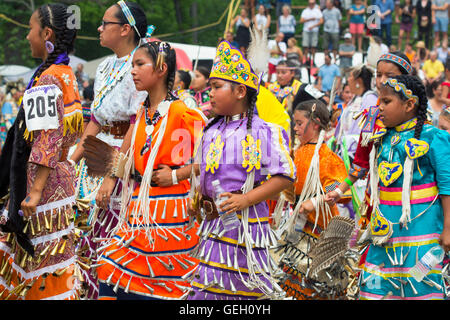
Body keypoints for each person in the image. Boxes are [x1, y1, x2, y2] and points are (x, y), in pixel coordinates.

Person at [84, 40, 205, 300]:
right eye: (132, 65)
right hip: (139, 208)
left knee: (157, 285)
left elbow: (207, 162)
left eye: (140, 64)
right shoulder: (143, 111)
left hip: (170, 213)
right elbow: (124, 154)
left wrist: (175, 174)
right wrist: (108, 180)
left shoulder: (182, 113)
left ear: (161, 68)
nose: (133, 71)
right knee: (109, 268)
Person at [185, 40, 295, 300]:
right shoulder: (212, 129)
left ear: (240, 92)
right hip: (214, 224)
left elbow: (285, 174)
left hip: (246, 228)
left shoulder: (263, 130)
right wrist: (198, 199)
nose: (209, 93)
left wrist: (245, 199)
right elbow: (203, 171)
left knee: (240, 293)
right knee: (208, 291)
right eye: (210, 86)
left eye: (216, 87)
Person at [328, 74, 450, 300]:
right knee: (376, 290)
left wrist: (449, 228)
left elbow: (447, 186)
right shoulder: (380, 138)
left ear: (409, 104)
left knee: (420, 289)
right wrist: (338, 191)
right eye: (379, 101)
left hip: (422, 234)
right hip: (384, 234)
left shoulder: (435, 138)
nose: (379, 107)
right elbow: (360, 166)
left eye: (386, 102)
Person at [0, 3, 84, 300]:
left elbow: (48, 139)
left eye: (30, 30)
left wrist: (33, 192)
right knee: (55, 258)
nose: (27, 38)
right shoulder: (66, 72)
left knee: (40, 261)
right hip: (61, 179)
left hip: (42, 186)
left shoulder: (48, 78)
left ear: (46, 33)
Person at [69, 1, 148, 300]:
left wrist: (112, 177)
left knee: (108, 236)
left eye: (106, 23)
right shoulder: (103, 66)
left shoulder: (139, 66)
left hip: (121, 157)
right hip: (95, 152)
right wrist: (71, 161)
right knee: (82, 235)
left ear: (125, 29)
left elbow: (134, 125)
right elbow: (96, 120)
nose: (99, 29)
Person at [277, 99, 352, 300]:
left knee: (320, 283)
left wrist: (315, 201)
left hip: (322, 230)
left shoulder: (325, 156)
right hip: (300, 227)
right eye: (295, 123)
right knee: (296, 280)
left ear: (315, 124)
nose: (295, 128)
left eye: (300, 123)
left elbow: (340, 189)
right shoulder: (298, 151)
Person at [300, 0, 324, 67]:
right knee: (306, 46)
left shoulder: (317, 11)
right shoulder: (305, 11)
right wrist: (310, 19)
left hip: (314, 30)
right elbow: (301, 20)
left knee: (314, 46)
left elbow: (321, 21)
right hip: (306, 30)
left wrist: (314, 26)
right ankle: (307, 60)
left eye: (312, 3)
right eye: (310, 3)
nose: (311, 4)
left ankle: (313, 60)